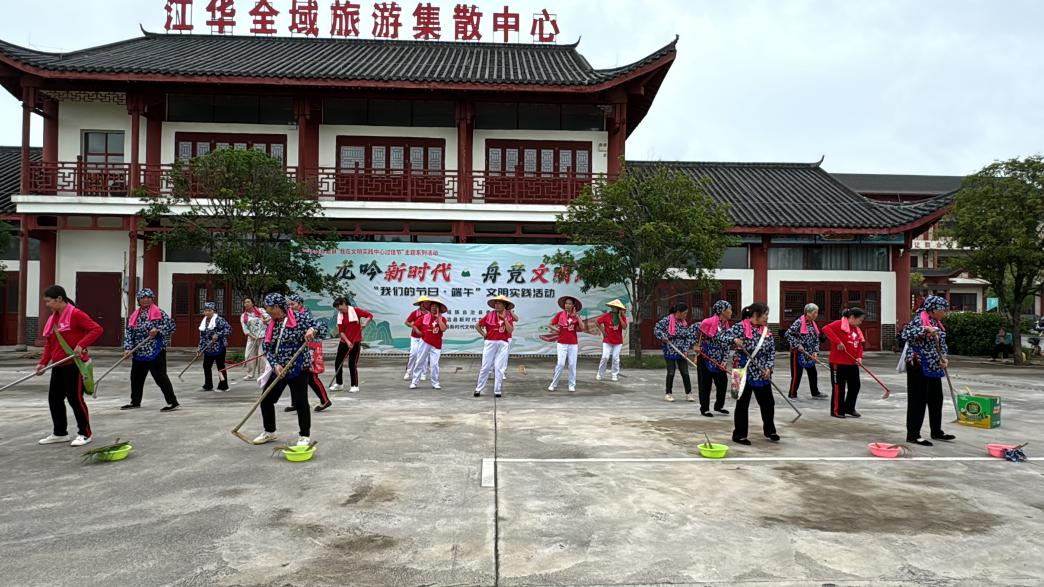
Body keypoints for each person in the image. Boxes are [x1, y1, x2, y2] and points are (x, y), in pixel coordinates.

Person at [35, 285, 103, 447]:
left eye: (49, 301)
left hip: (74, 364)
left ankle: (85, 433)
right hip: (58, 365)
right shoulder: (53, 318)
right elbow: (49, 345)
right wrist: (43, 363)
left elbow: (97, 329)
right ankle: (60, 433)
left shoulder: (76, 314)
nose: (47, 305)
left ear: (59, 299)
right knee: (54, 399)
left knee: (75, 399)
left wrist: (81, 344)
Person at [253, 293, 317, 446]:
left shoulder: (299, 318)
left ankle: (304, 435)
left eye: (268, 308)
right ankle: (270, 431)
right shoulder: (272, 324)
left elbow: (321, 326)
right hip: (279, 369)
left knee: (301, 401)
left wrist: (312, 330)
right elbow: (267, 347)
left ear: (276, 307)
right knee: (266, 400)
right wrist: (275, 365)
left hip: (298, 366)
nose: (266, 311)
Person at [900, 295, 955, 446]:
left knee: (936, 399)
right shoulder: (919, 320)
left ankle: (936, 431)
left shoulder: (938, 322)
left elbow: (942, 343)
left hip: (934, 365)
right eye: (942, 309)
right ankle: (913, 434)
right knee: (918, 400)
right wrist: (924, 330)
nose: (944, 312)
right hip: (918, 364)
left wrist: (944, 358)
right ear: (932, 310)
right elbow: (905, 334)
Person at [719, 303, 778, 445]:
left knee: (768, 403)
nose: (767, 317)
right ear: (755, 314)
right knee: (742, 404)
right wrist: (734, 340)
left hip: (761, 372)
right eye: (765, 314)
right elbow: (721, 337)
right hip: (741, 370)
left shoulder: (767, 331)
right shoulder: (740, 327)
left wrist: (769, 368)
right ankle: (739, 435)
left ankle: (770, 430)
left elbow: (771, 351)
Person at [122, 288, 179, 412]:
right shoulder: (134, 315)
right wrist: (127, 348)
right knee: (136, 377)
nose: (146, 299)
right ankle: (135, 401)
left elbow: (171, 326)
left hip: (155, 350)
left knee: (160, 377)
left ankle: (172, 402)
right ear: (139, 300)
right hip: (139, 351)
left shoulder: (159, 312)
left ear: (152, 299)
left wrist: (157, 330)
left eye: (149, 297)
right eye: (143, 297)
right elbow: (129, 332)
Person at [285, 293, 332, 413]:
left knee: (311, 376)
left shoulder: (305, 315)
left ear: (300, 304)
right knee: (293, 376)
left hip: (310, 348)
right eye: (289, 304)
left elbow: (319, 328)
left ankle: (324, 400)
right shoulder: (291, 314)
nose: (290, 306)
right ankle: (295, 403)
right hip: (298, 348)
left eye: (293, 304)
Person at [823, 308, 866, 418]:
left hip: (852, 362)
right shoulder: (839, 324)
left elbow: (860, 344)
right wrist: (838, 342)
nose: (860, 322)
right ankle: (837, 410)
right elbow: (826, 329)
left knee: (855, 386)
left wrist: (859, 357)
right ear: (852, 317)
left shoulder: (856, 329)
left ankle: (849, 408)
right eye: (860, 320)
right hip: (838, 362)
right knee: (839, 387)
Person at [653, 302, 697, 402]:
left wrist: (686, 350)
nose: (685, 316)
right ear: (678, 312)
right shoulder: (667, 320)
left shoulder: (684, 323)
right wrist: (663, 337)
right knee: (671, 372)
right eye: (684, 313)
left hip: (681, 350)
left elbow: (687, 337)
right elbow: (657, 329)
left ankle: (689, 393)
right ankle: (668, 393)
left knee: (685, 372)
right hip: (670, 349)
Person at [696, 300, 733, 416]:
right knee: (705, 385)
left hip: (719, 360)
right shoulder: (707, 322)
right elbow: (694, 334)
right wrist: (695, 345)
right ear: (722, 311)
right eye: (729, 309)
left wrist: (724, 360)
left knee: (722, 383)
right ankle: (704, 408)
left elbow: (727, 345)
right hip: (706, 358)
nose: (731, 312)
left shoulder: (726, 325)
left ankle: (719, 406)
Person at [331, 296, 373, 393]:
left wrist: (365, 322)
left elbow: (370, 315)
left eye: (339, 306)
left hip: (356, 341)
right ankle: (339, 384)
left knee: (352, 363)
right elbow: (341, 331)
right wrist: (347, 341)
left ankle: (354, 385)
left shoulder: (355, 311)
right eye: (337, 307)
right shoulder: (340, 315)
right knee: (338, 362)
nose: (338, 309)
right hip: (344, 342)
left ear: (345, 304)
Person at [475, 295, 514, 398]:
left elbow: (510, 330)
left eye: (499, 303)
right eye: (495, 303)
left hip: (503, 344)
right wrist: (484, 335)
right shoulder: (489, 315)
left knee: (499, 368)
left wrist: (505, 320)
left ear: (504, 305)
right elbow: (477, 325)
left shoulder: (508, 316)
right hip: (490, 343)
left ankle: (497, 390)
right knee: (485, 367)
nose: (497, 305)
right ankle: (478, 389)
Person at [783, 303, 825, 399]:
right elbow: (788, 334)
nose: (816, 315)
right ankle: (792, 393)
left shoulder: (813, 324)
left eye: (817, 313)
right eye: (814, 313)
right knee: (797, 374)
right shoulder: (799, 322)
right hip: (798, 353)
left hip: (809, 353)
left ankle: (815, 392)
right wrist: (798, 345)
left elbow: (816, 339)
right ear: (808, 313)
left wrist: (815, 351)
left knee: (813, 373)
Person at [410, 298, 448, 390]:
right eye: (432, 306)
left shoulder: (442, 319)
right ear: (430, 308)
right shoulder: (423, 318)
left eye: (436, 307)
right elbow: (414, 325)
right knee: (420, 361)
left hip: (436, 344)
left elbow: (443, 329)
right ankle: (414, 381)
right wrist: (418, 332)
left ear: (439, 308)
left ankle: (435, 383)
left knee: (434, 364)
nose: (434, 308)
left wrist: (439, 318)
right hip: (425, 342)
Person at [548, 296, 583, 393]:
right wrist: (557, 330)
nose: (567, 305)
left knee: (572, 365)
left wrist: (577, 317)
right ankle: (553, 384)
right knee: (561, 364)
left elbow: (583, 328)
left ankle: (572, 385)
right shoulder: (560, 315)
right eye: (566, 303)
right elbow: (550, 324)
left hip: (573, 344)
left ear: (573, 306)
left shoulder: (576, 316)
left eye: (570, 304)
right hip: (562, 343)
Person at [197, 302, 232, 392]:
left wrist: (218, 334)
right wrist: (199, 349)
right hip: (208, 347)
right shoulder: (204, 322)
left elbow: (229, 329)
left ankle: (223, 385)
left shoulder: (219, 320)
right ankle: (208, 385)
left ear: (213, 311)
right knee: (206, 366)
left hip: (219, 346)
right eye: (206, 311)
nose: (207, 312)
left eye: (209, 310)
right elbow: (202, 337)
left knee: (220, 367)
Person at [596, 299, 628, 382]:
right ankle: (600, 373)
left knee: (615, 358)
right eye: (613, 306)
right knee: (605, 357)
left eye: (616, 307)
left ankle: (614, 374)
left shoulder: (622, 316)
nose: (614, 308)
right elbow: (597, 322)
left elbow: (624, 327)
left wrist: (620, 316)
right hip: (607, 340)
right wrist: (603, 331)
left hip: (618, 341)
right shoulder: (606, 315)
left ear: (619, 308)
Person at [240, 297, 269, 381]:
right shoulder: (243, 316)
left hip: (263, 336)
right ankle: (250, 374)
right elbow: (245, 328)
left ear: (253, 303)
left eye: (248, 302)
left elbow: (269, 318)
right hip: (252, 337)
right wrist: (253, 337)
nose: (246, 304)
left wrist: (265, 320)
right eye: (245, 302)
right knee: (248, 355)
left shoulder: (261, 310)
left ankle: (263, 374)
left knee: (262, 356)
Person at [404, 296, 432, 381]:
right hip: (415, 337)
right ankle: (408, 372)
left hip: (425, 338)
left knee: (424, 355)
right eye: (425, 302)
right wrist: (413, 326)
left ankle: (423, 373)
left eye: (427, 303)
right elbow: (406, 322)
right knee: (413, 353)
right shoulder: (415, 313)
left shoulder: (429, 314)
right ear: (421, 304)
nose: (427, 304)